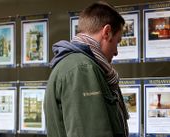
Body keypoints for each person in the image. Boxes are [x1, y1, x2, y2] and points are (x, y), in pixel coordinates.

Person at [44, 1, 129, 137]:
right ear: (107, 32)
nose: (116, 52)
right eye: (117, 42)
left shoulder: (76, 64)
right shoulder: (81, 69)